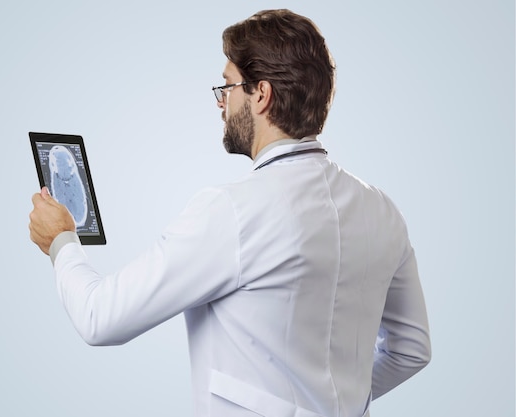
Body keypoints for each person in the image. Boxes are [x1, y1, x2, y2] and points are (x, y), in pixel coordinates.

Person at [29, 9, 431, 417]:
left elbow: (100, 317)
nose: (222, 102)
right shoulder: (382, 210)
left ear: (261, 94)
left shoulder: (232, 211)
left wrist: (61, 240)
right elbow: (411, 351)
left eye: (228, 86)